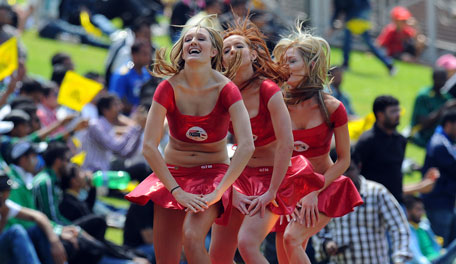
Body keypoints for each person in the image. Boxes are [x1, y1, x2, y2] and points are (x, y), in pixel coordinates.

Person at [125, 21, 255, 264]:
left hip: (213, 176)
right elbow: (149, 147)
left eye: (201, 39)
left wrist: (220, 191)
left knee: (193, 237)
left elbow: (247, 145)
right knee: (166, 258)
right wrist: (176, 191)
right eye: (187, 39)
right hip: (172, 175)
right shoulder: (167, 87)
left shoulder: (226, 89)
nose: (193, 42)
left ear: (214, 51)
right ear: (183, 50)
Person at [209, 18, 325, 264]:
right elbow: (215, 147)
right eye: (226, 50)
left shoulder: (268, 90)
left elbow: (286, 143)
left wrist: (271, 191)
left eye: (239, 46)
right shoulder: (222, 94)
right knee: (218, 256)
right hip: (238, 178)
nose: (232, 52)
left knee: (248, 244)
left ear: (253, 54)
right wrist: (229, 190)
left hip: (275, 177)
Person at [272, 27, 363, 264]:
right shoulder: (276, 104)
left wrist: (314, 191)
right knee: (285, 256)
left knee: (291, 239)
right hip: (288, 190)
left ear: (311, 65)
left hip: (324, 188)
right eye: (282, 62)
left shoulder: (332, 107)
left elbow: (344, 160)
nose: (284, 67)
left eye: (291, 61)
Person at [312, 152, 411, 264]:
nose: (345, 175)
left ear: (359, 167)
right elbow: (316, 230)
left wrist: (399, 257)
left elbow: (399, 227)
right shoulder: (327, 197)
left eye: (349, 169)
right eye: (340, 171)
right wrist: (326, 244)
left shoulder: (377, 193)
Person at [354, 95, 406, 204]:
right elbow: (355, 171)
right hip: (372, 203)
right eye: (393, 112)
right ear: (380, 115)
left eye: (398, 111)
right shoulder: (367, 141)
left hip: (396, 201)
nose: (398, 115)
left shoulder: (401, 140)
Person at [82, 93, 146, 172]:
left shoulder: (108, 126)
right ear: (105, 110)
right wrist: (134, 128)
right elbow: (116, 147)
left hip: (105, 173)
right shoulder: (95, 125)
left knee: (142, 168)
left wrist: (139, 129)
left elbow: (126, 154)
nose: (120, 108)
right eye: (116, 105)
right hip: (93, 173)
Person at [330, 0, 395, 75]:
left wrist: (346, 20)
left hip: (360, 13)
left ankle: (389, 64)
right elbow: (338, 10)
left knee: (364, 43)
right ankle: (389, 64)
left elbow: (357, 4)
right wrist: (332, 24)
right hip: (353, 17)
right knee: (348, 42)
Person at [421, 110, 456, 247]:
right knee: (440, 247)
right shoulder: (440, 144)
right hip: (438, 202)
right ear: (449, 124)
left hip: (446, 201)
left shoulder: (446, 142)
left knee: (448, 246)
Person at [404, 195, 456, 264]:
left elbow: (436, 246)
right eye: (418, 209)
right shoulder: (406, 230)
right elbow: (416, 256)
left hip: (437, 256)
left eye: (422, 209)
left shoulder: (423, 225)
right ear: (408, 211)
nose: (422, 213)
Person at [410, 67, 454, 148]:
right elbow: (423, 124)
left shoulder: (446, 97)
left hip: (438, 135)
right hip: (420, 135)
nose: (442, 82)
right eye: (439, 79)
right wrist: (444, 108)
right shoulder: (424, 96)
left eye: (444, 79)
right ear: (433, 78)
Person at [109, 40, 152, 115]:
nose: (148, 57)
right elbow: (116, 101)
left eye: (149, 54)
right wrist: (137, 110)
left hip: (144, 114)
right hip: (126, 116)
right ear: (134, 55)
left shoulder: (146, 73)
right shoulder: (122, 74)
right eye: (144, 54)